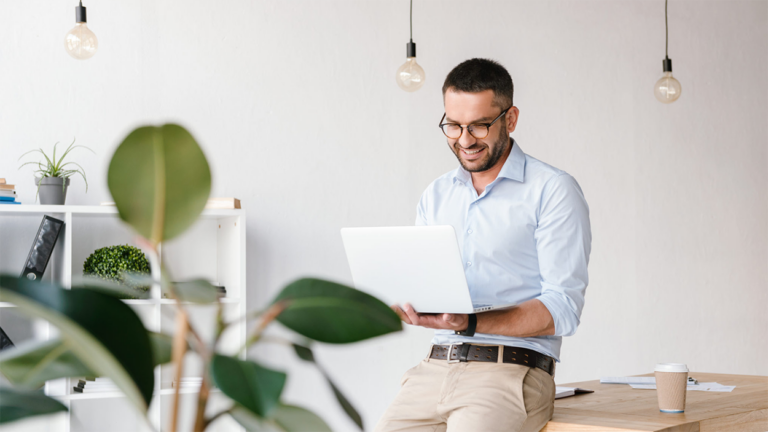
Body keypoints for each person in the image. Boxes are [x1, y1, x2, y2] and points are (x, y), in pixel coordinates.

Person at [375, 58, 592, 432]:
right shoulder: (437, 194)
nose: (464, 139)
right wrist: (406, 301)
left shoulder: (552, 190)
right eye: (453, 126)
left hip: (510, 371)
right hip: (433, 370)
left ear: (510, 119)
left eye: (478, 125)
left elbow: (563, 307)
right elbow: (426, 284)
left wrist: (472, 322)